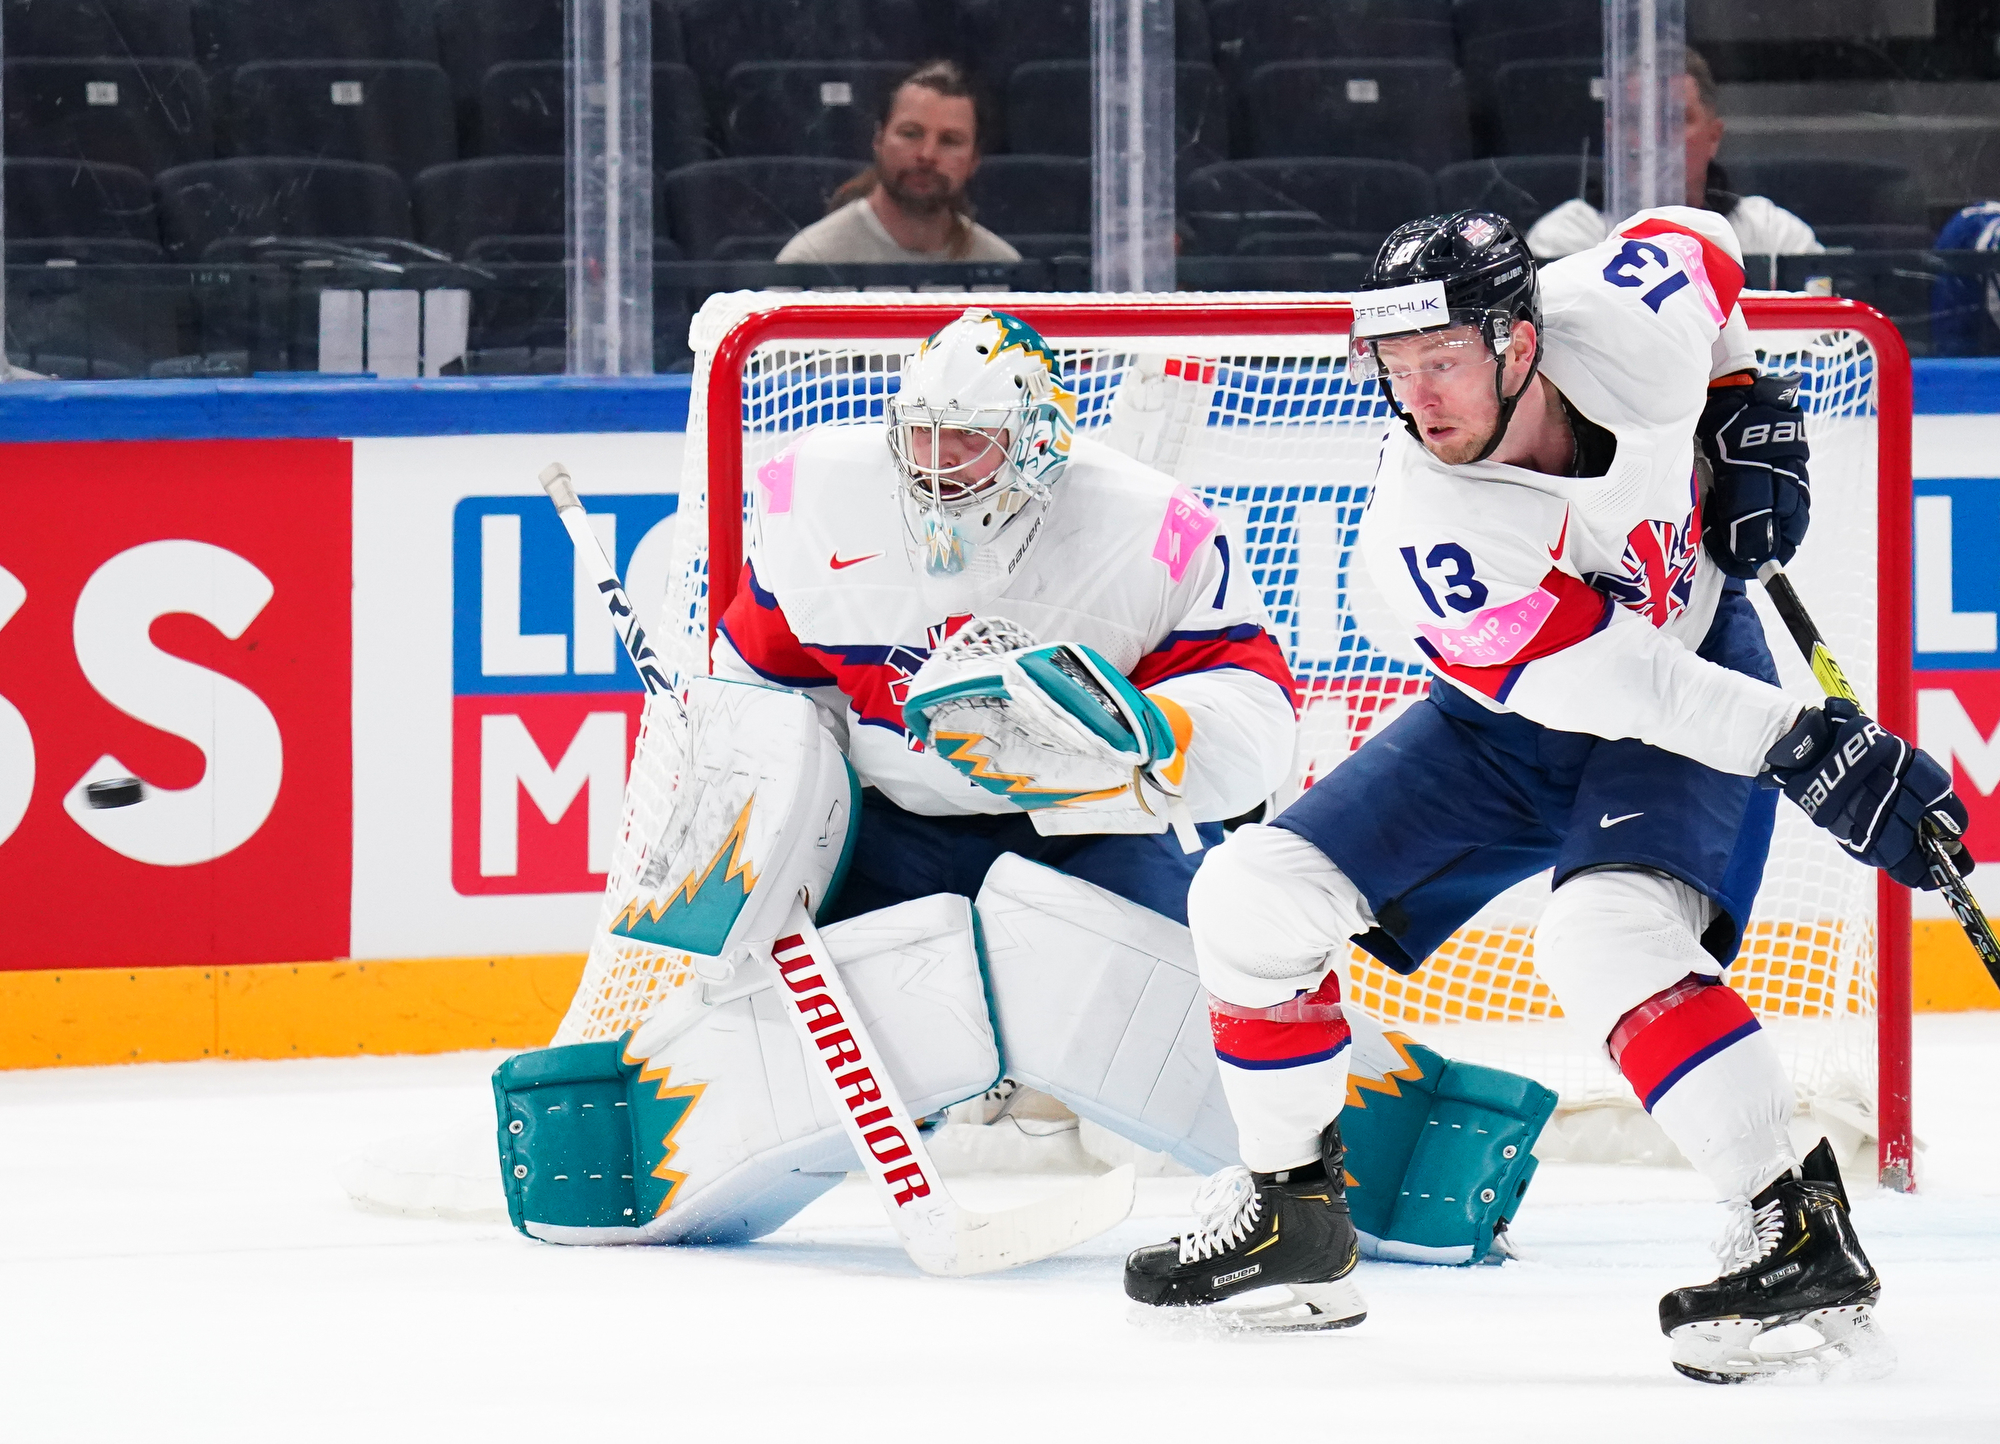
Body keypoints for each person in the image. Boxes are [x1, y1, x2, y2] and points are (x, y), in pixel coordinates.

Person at [1125, 208, 1972, 1381]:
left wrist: (1739, 389)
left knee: (1603, 934)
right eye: (1394, 365)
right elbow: (1617, 684)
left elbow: (1698, 237)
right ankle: (1292, 1215)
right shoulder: (1427, 533)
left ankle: (1793, 1229)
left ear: (1517, 339)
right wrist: (1798, 744)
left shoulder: (1617, 315)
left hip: (1691, 659)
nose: (1417, 396)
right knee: (1246, 896)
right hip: (1527, 717)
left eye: (1441, 357)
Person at [1527, 51, 1822, 261]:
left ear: (1713, 136)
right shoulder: (1563, 242)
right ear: (1612, 137)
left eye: (1675, 119)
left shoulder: (1773, 237)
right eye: (1636, 119)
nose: (1655, 137)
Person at [775, 60, 1021, 265]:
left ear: (974, 160)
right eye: (911, 133)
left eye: (949, 140)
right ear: (878, 140)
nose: (927, 154)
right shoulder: (810, 263)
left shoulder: (1004, 272)